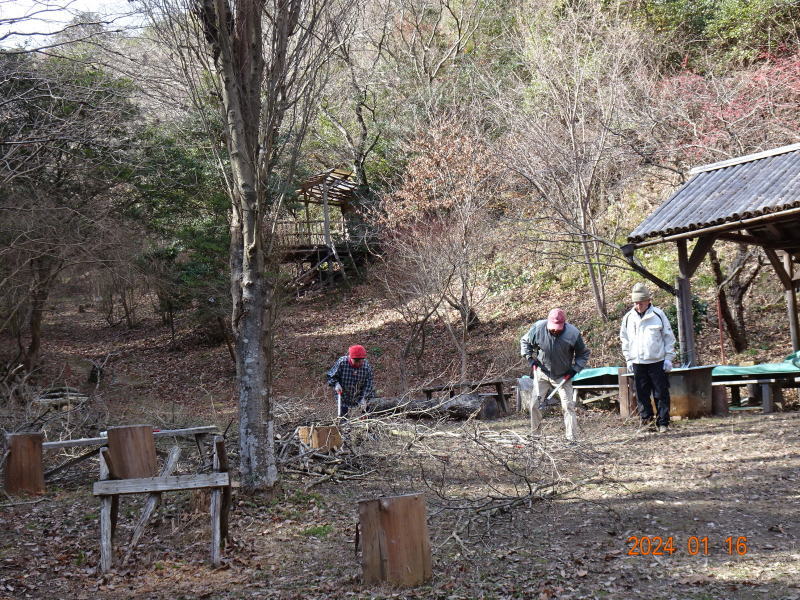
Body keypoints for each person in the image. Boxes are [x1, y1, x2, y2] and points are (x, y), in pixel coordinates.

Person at [519, 308, 590, 442]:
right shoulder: (538, 328)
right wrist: (529, 358)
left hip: (563, 376)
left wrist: (575, 369)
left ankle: (572, 439)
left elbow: (583, 354)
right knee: (534, 404)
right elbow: (524, 342)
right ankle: (535, 437)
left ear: (564, 324)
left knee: (568, 406)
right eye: (552, 328)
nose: (555, 330)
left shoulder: (573, 334)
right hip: (542, 373)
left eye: (558, 328)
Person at [620, 282, 676, 433]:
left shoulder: (658, 314)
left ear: (648, 301)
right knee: (641, 394)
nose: (638, 306)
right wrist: (629, 359)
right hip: (638, 362)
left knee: (661, 393)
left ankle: (663, 422)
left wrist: (669, 358)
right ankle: (646, 421)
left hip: (657, 361)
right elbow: (625, 339)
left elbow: (668, 337)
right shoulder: (628, 318)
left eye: (641, 302)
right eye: (636, 303)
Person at [326, 344, 374, 418]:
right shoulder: (342, 362)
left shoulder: (366, 367)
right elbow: (331, 376)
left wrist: (364, 397)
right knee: (343, 417)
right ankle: (344, 425)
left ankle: (367, 427)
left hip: (359, 395)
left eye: (360, 361)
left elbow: (369, 384)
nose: (358, 363)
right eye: (356, 361)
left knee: (367, 415)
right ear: (350, 357)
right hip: (343, 395)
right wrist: (336, 383)